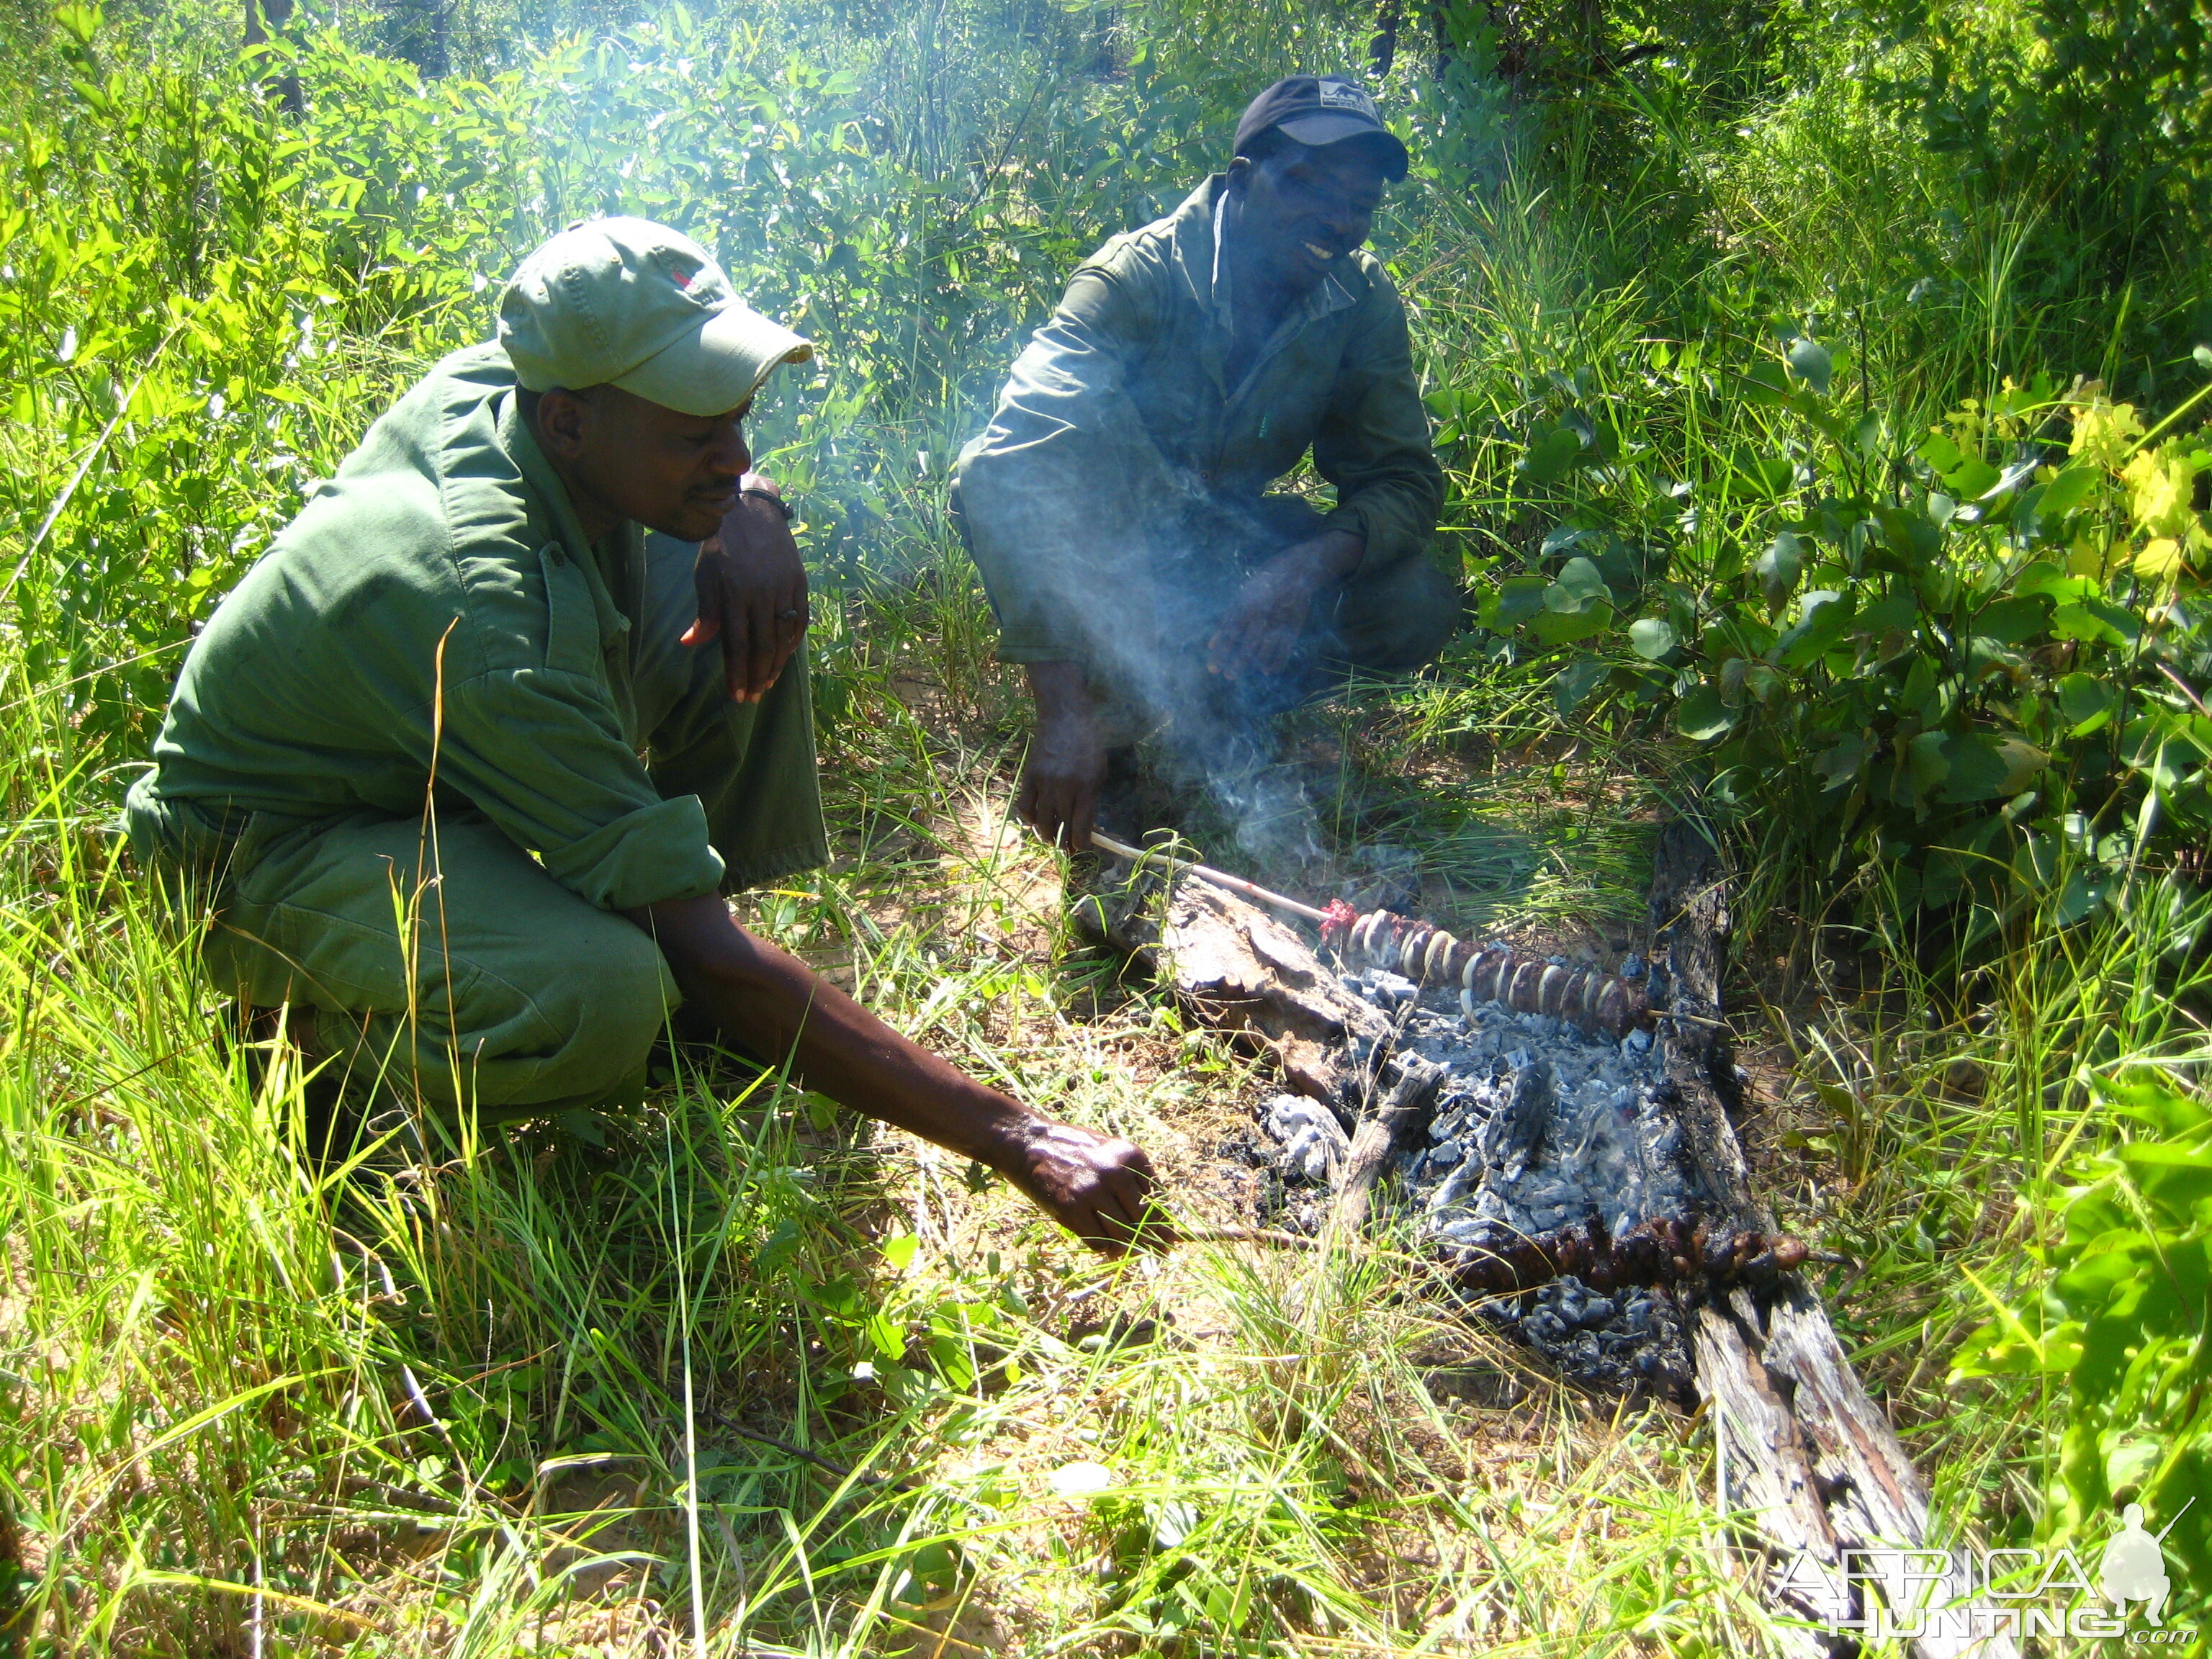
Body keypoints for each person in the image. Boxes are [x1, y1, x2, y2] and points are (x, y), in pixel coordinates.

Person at [125, 217, 1166, 1255]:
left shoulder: (528, 382)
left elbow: (712, 474)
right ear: (573, 423)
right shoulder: (495, 624)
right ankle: (310, 1037)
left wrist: (754, 508)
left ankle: (705, 957)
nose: (736, 454)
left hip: (423, 765)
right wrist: (1018, 1137)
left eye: (739, 418)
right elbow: (509, 636)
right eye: (695, 435)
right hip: (257, 857)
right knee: (611, 996)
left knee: (750, 587)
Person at [954, 74, 1458, 854]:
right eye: (1309, 183)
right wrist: (1060, 713)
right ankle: (1105, 688)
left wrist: (1301, 570)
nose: (1338, 218)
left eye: (1359, 202)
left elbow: (1404, 481)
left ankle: (1212, 690)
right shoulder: (1137, 278)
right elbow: (1005, 467)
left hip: (1220, 544)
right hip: (1105, 553)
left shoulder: (1358, 302)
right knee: (1024, 492)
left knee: (1413, 601)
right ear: (1243, 180)